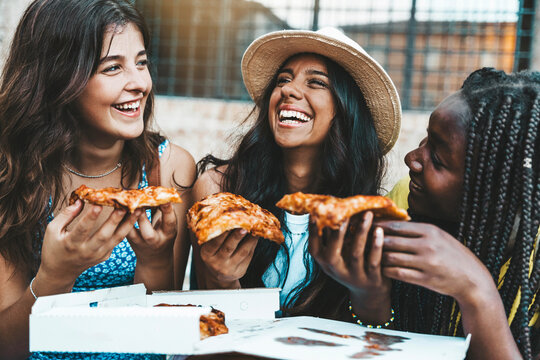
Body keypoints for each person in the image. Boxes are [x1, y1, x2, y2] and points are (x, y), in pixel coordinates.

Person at [0, 0, 196, 359]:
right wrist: (54, 276)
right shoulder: (12, 174)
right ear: (60, 77)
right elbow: (6, 347)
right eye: (112, 68)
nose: (139, 83)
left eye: (141, 62)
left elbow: (165, 337)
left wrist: (154, 260)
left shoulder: (167, 170)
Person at [310, 68, 539, 360]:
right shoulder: (404, 200)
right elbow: (383, 347)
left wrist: (477, 292)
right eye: (426, 140)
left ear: (501, 190)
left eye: (439, 159)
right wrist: (370, 296)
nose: (412, 159)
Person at [190, 27, 402, 321]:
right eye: (283, 80)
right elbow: (211, 323)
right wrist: (223, 281)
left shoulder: (364, 218)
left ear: (345, 109)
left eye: (316, 82)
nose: (288, 90)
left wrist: (368, 292)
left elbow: (373, 331)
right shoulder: (220, 191)